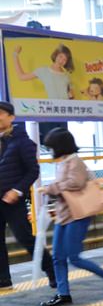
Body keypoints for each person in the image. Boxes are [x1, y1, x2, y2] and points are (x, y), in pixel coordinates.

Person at [39, 128, 103, 306]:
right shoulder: (64, 162)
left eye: (52, 147)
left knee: (73, 257)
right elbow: (66, 187)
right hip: (64, 215)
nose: (50, 151)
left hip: (78, 215)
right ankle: (63, 293)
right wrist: (54, 189)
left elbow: (76, 183)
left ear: (60, 146)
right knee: (58, 257)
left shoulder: (75, 161)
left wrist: (52, 187)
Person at [0, 101, 56, 289]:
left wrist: (16, 190)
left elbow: (33, 171)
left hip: (13, 200)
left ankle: (52, 270)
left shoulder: (22, 141)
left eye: (0, 113)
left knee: (24, 237)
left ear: (11, 117)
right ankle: (3, 280)